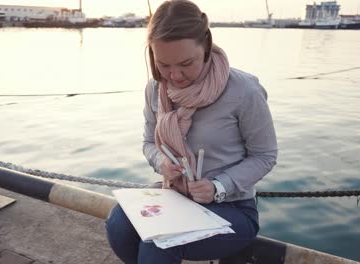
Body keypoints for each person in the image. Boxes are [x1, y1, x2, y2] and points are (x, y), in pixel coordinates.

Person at [105, 0, 278, 263]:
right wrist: (162, 162)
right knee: (117, 225)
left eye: (186, 63)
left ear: (206, 46)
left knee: (161, 244)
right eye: (163, 64)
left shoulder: (245, 91)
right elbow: (149, 142)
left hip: (233, 207)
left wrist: (218, 186)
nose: (175, 76)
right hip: (175, 196)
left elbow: (265, 156)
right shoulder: (155, 89)